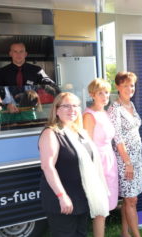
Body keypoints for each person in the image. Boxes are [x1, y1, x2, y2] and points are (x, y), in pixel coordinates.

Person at [39, 92, 109, 237]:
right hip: (62, 198)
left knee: (81, 234)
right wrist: (62, 196)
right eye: (67, 106)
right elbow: (48, 167)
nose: (72, 110)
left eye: (76, 106)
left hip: (81, 195)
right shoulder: (51, 133)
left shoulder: (79, 133)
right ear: (56, 110)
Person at [108, 72, 142, 237]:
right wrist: (128, 162)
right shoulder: (115, 108)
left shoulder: (131, 105)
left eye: (132, 85)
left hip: (136, 159)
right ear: (118, 87)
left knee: (130, 199)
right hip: (125, 160)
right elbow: (118, 139)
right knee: (131, 200)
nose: (130, 88)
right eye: (126, 85)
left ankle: (125, 232)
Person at [83, 79, 119, 237]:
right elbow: (87, 146)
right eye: (100, 93)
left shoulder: (104, 112)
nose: (104, 96)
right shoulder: (89, 116)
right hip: (97, 163)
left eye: (106, 92)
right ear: (92, 95)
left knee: (105, 208)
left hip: (109, 160)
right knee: (100, 207)